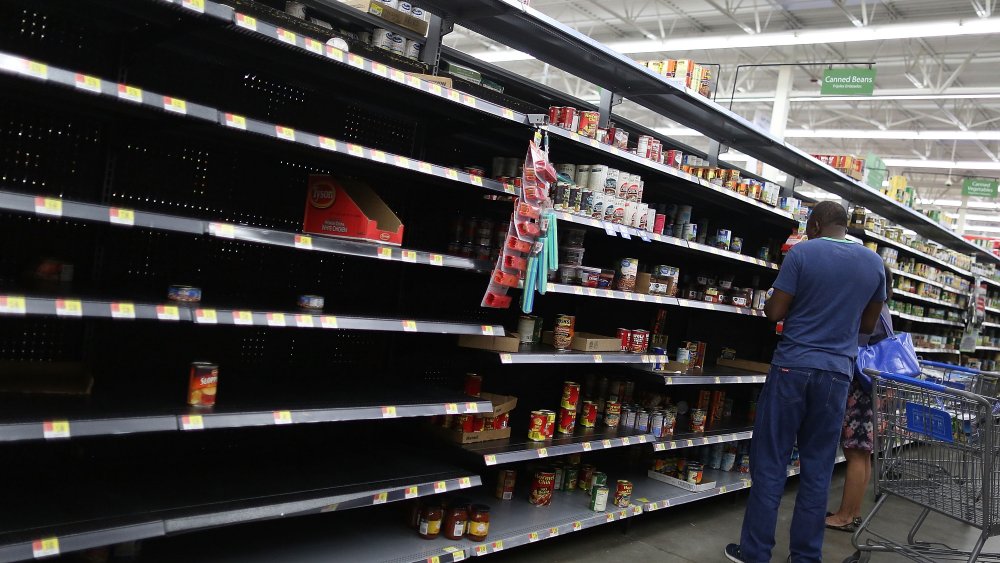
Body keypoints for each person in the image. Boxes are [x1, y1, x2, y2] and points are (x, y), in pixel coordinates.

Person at [725, 201, 887, 563]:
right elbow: (867, 325)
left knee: (770, 465)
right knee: (817, 470)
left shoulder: (802, 253)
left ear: (813, 225)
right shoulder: (875, 264)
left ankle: (755, 554)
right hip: (836, 374)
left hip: (791, 369)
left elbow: (775, 312)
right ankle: (805, 557)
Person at [825, 262, 894, 533]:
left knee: (854, 453)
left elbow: (856, 340)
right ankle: (852, 512)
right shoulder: (884, 306)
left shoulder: (872, 308)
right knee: (863, 455)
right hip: (875, 388)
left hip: (863, 388)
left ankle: (845, 515)